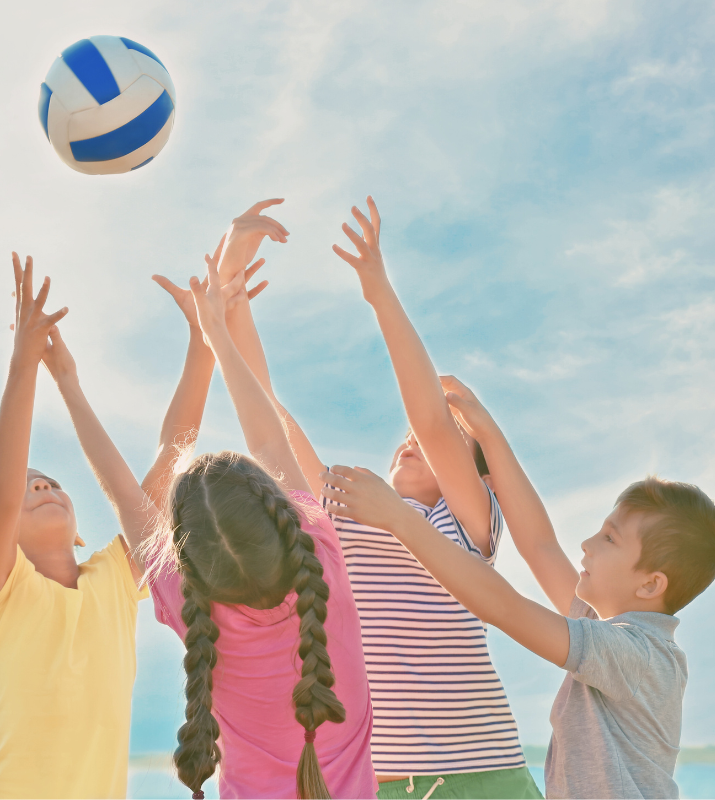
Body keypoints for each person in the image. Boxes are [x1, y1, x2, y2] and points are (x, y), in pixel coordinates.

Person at [216, 198, 540, 798]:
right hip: (376, 782)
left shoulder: (465, 522)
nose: (415, 438)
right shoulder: (337, 514)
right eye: (407, 437)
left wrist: (378, 291)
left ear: (479, 476)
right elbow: (270, 423)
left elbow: (434, 419)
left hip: (482, 773)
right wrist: (229, 295)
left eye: (446, 445)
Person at [319, 376, 715, 799]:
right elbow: (539, 546)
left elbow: (505, 607)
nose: (587, 545)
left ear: (650, 584)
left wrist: (400, 520)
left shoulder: (635, 656)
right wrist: (488, 433)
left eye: (609, 539)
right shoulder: (617, 638)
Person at [141, 246, 376, 799]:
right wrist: (216, 333)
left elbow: (148, 483)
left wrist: (203, 342)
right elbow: (269, 438)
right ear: (280, 513)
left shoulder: (190, 600)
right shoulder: (322, 561)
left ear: (183, 552)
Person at [0, 253, 152, 799]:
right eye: (28, 484)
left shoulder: (114, 584)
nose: (42, 486)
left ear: (80, 530)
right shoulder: (6, 596)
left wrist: (205, 341)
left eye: (52, 480)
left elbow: (157, 487)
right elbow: (4, 492)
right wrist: (22, 365)